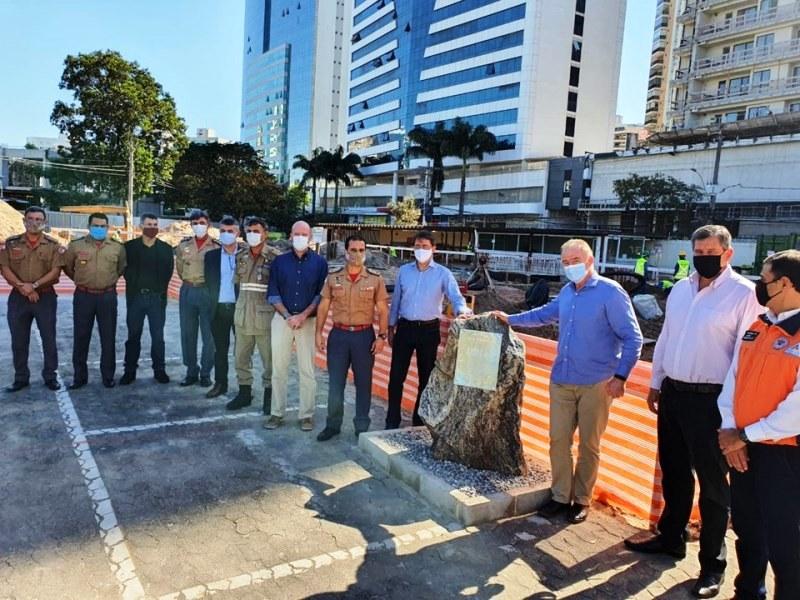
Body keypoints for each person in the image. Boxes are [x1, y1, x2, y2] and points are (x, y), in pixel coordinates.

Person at [624, 225, 763, 599]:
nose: (703, 256)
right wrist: (656, 381)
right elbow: (668, 336)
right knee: (674, 473)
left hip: (713, 402)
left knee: (715, 488)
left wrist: (732, 414)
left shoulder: (744, 295)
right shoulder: (682, 289)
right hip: (674, 394)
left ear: (728, 254)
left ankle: (711, 567)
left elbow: (744, 358)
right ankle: (671, 538)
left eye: (710, 251)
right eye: (698, 250)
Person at [494, 239, 642, 524]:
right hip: (562, 379)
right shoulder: (566, 292)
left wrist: (621, 377)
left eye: (575, 260)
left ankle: (582, 499)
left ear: (589, 261)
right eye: (565, 262)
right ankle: (561, 496)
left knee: (589, 444)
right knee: (558, 441)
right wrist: (509, 319)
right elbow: (541, 315)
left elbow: (633, 338)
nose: (570, 266)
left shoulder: (611, 293)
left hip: (597, 382)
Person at [718, 249, 800, 600]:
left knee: (786, 541)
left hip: (783, 455)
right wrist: (729, 430)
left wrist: (744, 436)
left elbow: (796, 407)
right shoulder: (759, 325)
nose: (759, 287)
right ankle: (748, 591)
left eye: (764, 280)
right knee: (748, 529)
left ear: (785, 283)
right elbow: (732, 381)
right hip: (744, 447)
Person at [386, 230, 471, 429]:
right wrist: (391, 327)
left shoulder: (443, 274)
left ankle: (418, 422)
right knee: (396, 377)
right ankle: (391, 421)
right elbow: (396, 300)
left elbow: (456, 297)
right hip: (405, 328)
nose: (420, 250)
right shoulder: (404, 271)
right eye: (417, 246)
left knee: (425, 379)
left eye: (425, 246)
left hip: (429, 331)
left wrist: (462, 311)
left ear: (434, 249)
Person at [315, 234, 389, 441]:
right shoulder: (334, 277)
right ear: (346, 252)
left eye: (361, 250)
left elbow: (383, 310)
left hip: (364, 337)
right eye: (353, 250)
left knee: (364, 383)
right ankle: (333, 425)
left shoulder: (375, 279)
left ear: (365, 252)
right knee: (335, 384)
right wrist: (318, 333)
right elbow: (323, 306)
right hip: (338, 336)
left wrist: (382, 336)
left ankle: (362, 427)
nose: (357, 254)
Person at [264, 220, 328, 431]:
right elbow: (273, 293)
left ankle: (306, 415)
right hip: (282, 321)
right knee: (279, 369)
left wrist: (302, 316)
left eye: (304, 234)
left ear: (310, 237)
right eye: (297, 234)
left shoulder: (320, 263)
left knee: (307, 370)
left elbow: (320, 296)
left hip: (307, 323)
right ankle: (276, 413)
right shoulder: (279, 262)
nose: (300, 237)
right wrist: (288, 316)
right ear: (290, 236)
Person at [0, 207, 65, 392]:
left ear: (44, 222)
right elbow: (5, 268)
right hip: (18, 298)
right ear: (24, 221)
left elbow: (55, 272)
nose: (34, 222)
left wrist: (34, 286)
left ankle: (50, 376)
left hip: (45, 297)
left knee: (49, 338)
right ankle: (21, 378)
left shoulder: (53, 245)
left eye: (38, 219)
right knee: (19, 340)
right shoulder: (12, 244)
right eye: (30, 218)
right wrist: (24, 288)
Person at [63, 212, 126, 389]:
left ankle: (108, 376)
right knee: (81, 337)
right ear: (89, 227)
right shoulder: (76, 246)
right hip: (84, 296)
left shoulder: (117, 248)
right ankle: (80, 377)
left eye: (103, 226)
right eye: (96, 225)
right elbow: (68, 268)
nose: (99, 229)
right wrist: (82, 281)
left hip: (107, 296)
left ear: (108, 228)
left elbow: (120, 269)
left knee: (108, 337)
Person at [227, 216, 277, 413]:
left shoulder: (275, 257)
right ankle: (244, 393)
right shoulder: (241, 256)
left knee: (269, 361)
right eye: (249, 231)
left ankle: (269, 397)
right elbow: (238, 285)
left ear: (265, 233)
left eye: (257, 231)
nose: (253, 235)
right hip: (243, 316)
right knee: (240, 357)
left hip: (265, 319)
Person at [120, 214, 174, 385]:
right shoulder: (129, 247)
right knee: (133, 335)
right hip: (136, 298)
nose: (152, 227)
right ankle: (129, 371)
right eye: (149, 224)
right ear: (141, 226)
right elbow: (124, 269)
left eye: (155, 224)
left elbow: (168, 272)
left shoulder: (165, 248)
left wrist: (159, 291)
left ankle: (159, 370)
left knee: (158, 337)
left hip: (156, 299)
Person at [175, 209, 219, 387]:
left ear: (208, 224)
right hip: (188, 291)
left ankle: (206, 373)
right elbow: (179, 268)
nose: (198, 226)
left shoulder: (216, 247)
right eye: (195, 223)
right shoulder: (183, 246)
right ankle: (191, 370)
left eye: (201, 222)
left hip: (207, 292)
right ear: (191, 225)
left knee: (209, 335)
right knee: (187, 333)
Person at [203, 216, 242, 399]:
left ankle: (244, 387)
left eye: (231, 231)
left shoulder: (246, 256)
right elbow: (208, 283)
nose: (227, 234)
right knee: (220, 350)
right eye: (223, 231)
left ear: (238, 233)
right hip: (218, 310)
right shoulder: (210, 257)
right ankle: (220, 384)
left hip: (240, 309)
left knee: (242, 351)